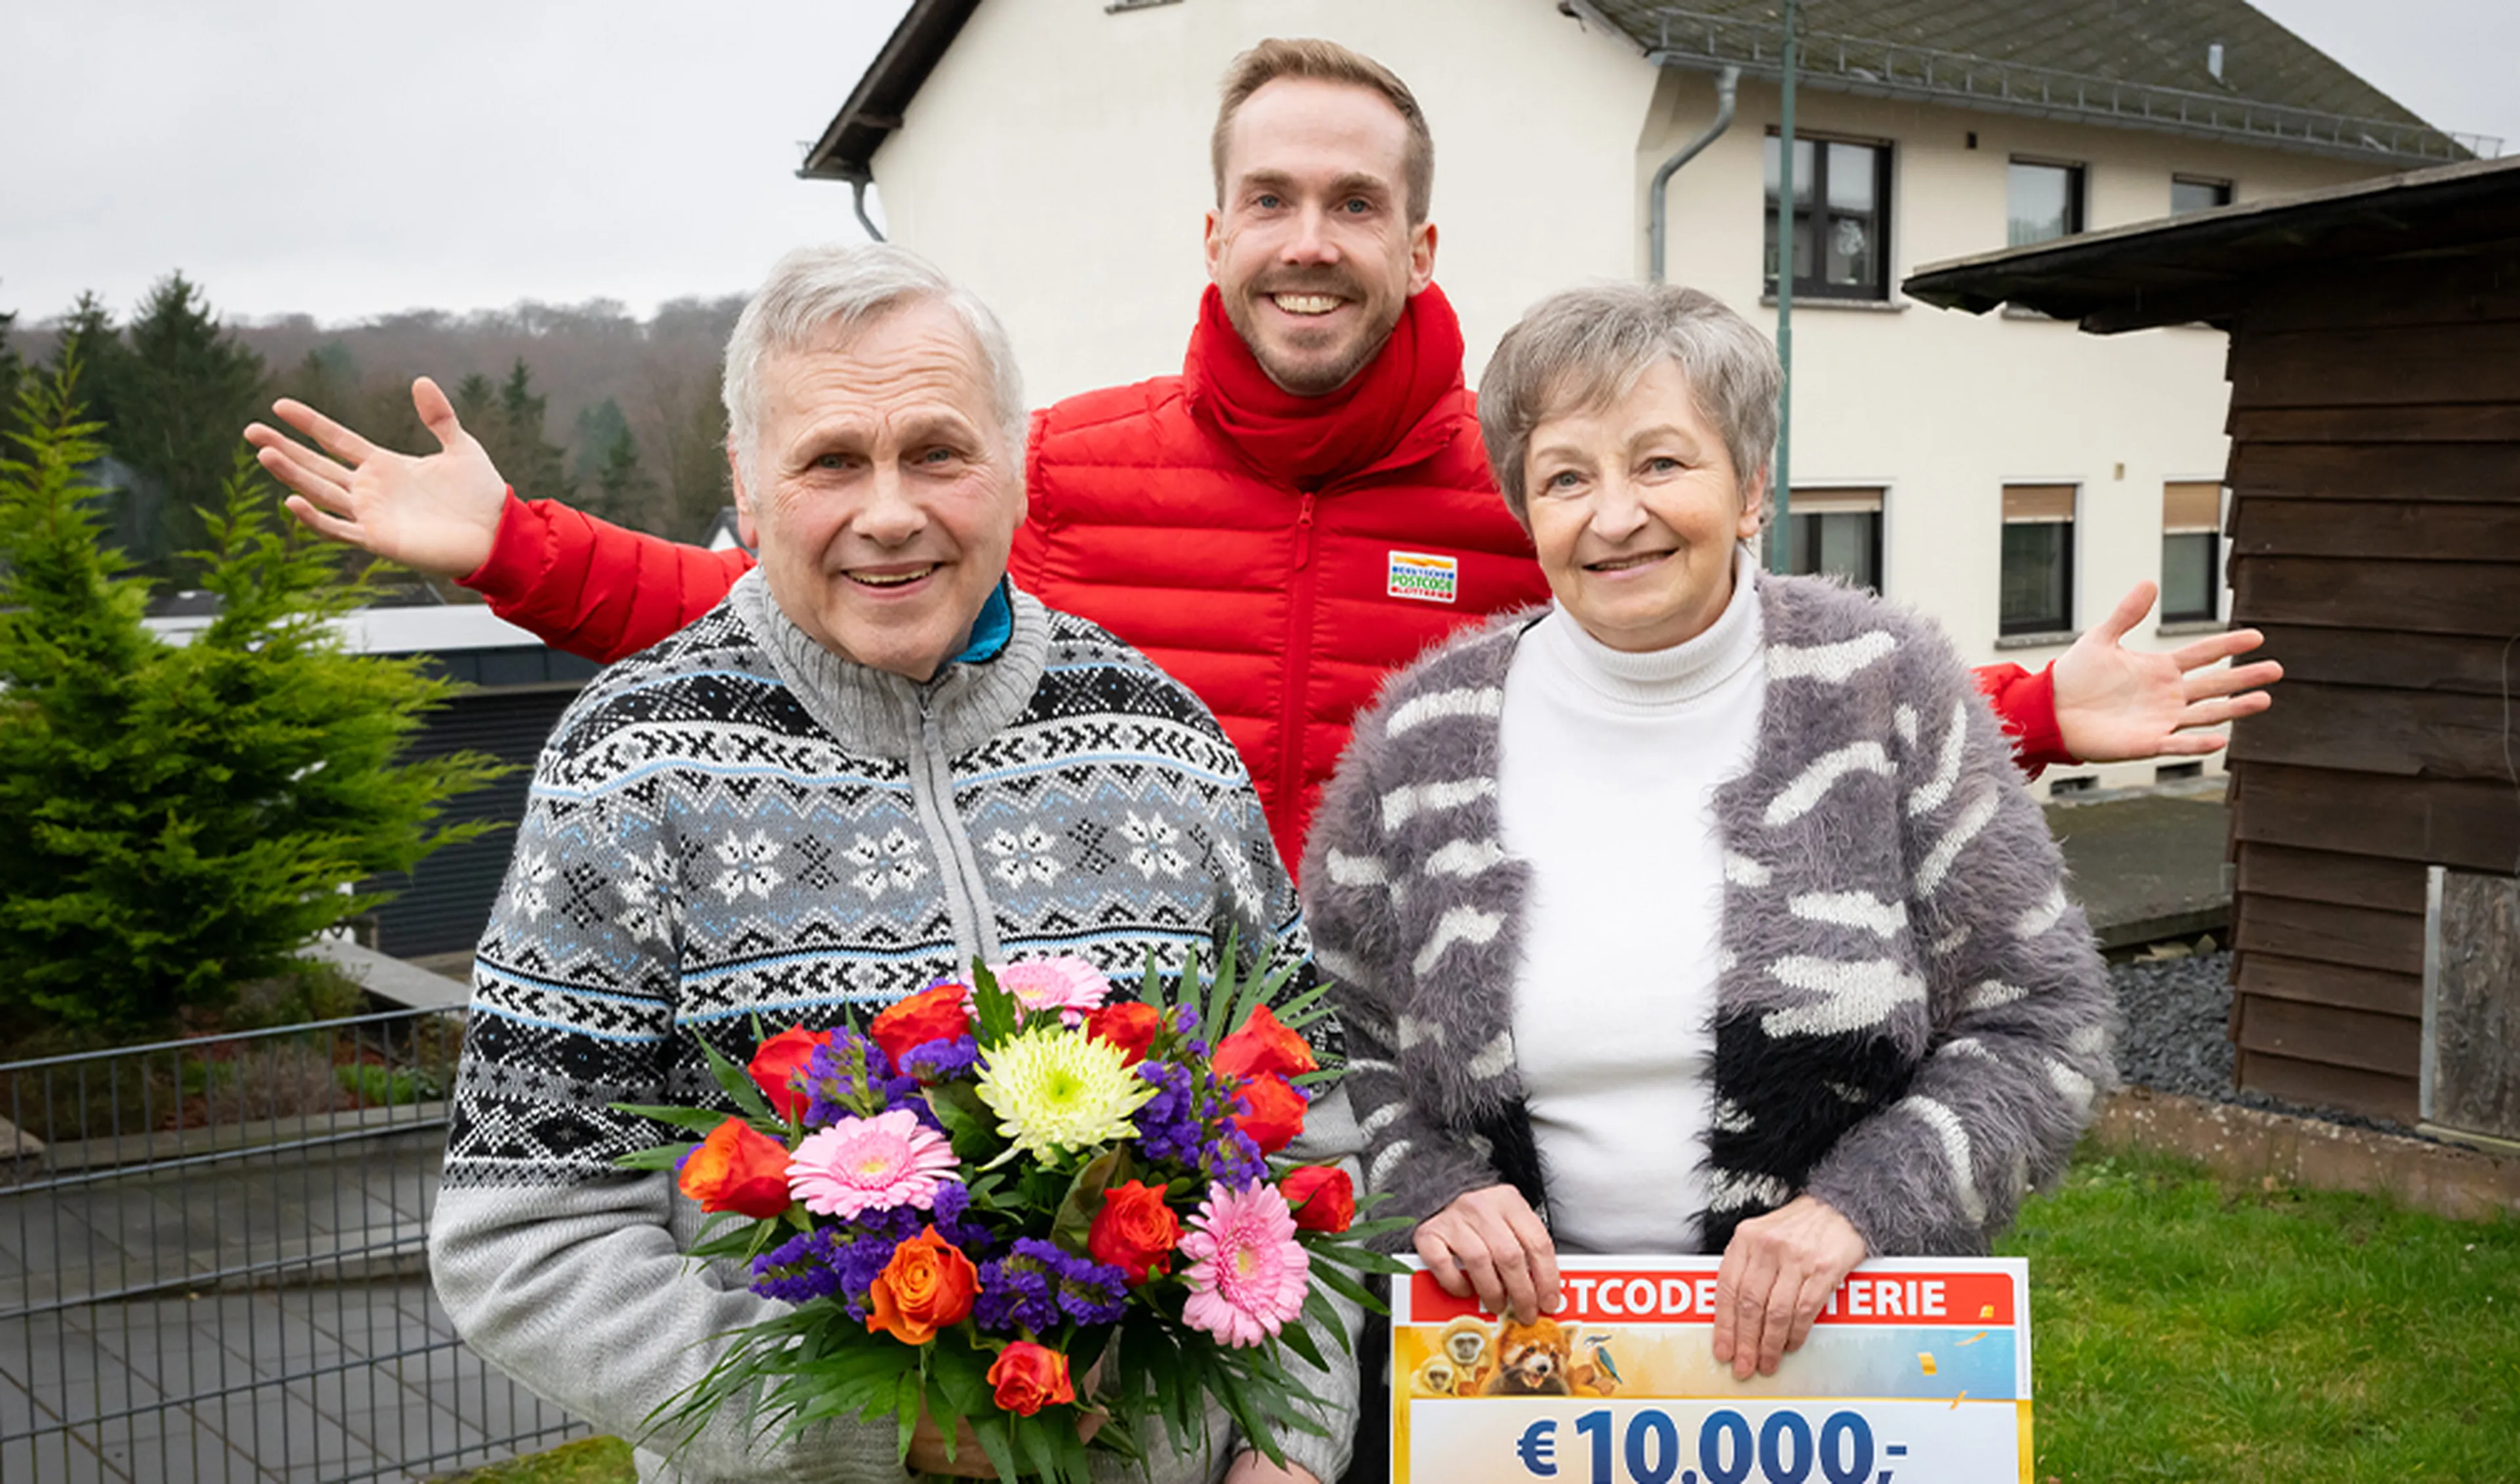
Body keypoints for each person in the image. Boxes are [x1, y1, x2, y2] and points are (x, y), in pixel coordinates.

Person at [243, 39, 2277, 876]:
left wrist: (2040, 703)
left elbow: (1756, 686)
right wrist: (514, 543)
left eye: (1354, 203)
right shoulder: (1066, 470)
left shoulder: (1537, 495)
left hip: (1457, 1082)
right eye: (1273, 199)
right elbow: (789, 608)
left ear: (1418, 244)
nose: (1313, 237)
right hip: (1140, 1084)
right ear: (1215, 234)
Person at [427, 243, 1354, 1484]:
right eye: (830, 461)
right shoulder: (633, 769)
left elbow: (1310, 1149)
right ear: (749, 485)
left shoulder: (1161, 737)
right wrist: (877, 1426)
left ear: (1014, 469)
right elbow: (524, 1240)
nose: (890, 510)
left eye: (937, 450)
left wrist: (1289, 1446)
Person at [1301, 282, 2115, 1387]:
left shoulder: (1886, 689)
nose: (1614, 513)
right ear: (1524, 507)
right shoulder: (1420, 736)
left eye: (1661, 463)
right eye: (1566, 477)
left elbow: (2045, 1018)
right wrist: (1430, 1189)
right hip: (1509, 1379)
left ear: (1751, 489)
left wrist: (1861, 1209)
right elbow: (1327, 1039)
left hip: (1836, 1369)